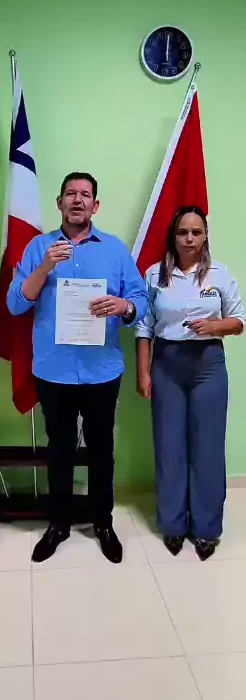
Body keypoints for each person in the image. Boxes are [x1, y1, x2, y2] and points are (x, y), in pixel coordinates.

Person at [7, 172, 149, 564]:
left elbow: (141, 300)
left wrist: (123, 305)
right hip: (54, 372)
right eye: (70, 193)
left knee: (102, 449)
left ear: (95, 205)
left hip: (102, 370)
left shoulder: (114, 250)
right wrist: (44, 268)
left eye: (85, 194)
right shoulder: (39, 247)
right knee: (60, 451)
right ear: (59, 203)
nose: (77, 200)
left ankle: (103, 522)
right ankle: (59, 524)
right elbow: (15, 304)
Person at [135, 206, 245, 561]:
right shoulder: (155, 274)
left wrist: (215, 326)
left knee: (207, 450)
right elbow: (143, 327)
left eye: (196, 232)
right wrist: (143, 372)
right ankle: (173, 525)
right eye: (183, 232)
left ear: (205, 235)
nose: (189, 238)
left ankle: (207, 529)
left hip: (207, 367)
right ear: (174, 235)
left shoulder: (219, 274)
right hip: (166, 366)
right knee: (169, 448)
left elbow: (239, 320)